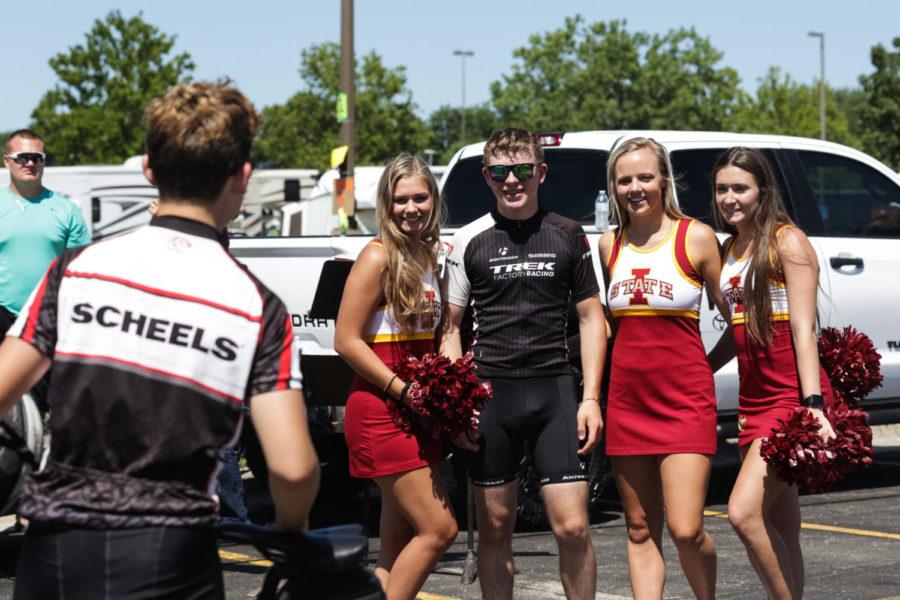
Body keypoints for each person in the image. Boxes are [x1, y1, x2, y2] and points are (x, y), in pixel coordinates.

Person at [0, 80, 320, 599]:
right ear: (243, 176)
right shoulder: (256, 306)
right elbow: (292, 467)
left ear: (149, 169)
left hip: (56, 550)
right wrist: (293, 531)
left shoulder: (76, 270)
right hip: (170, 554)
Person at [441, 128, 606, 600]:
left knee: (573, 528)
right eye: (499, 172)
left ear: (541, 172)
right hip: (491, 398)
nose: (511, 181)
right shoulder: (467, 239)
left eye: (522, 170)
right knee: (495, 532)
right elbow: (450, 328)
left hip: (555, 394)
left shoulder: (569, 234)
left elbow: (593, 319)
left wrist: (591, 398)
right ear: (486, 177)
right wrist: (458, 404)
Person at [597, 137, 724, 600]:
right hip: (627, 403)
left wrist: (706, 367)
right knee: (637, 528)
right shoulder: (608, 243)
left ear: (664, 180)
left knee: (687, 528)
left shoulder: (697, 237)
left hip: (685, 401)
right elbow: (608, 328)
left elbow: (738, 320)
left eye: (645, 177)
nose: (635, 188)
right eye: (624, 179)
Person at [335, 153, 463, 600]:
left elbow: (444, 334)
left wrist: (453, 403)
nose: (411, 208)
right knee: (440, 529)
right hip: (380, 411)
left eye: (420, 198)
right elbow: (345, 340)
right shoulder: (376, 257)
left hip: (417, 411)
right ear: (386, 205)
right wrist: (402, 390)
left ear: (434, 200)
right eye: (400, 200)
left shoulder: (428, 254)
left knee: (395, 548)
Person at [710, 147, 835, 599]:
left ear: (763, 192)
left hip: (789, 401)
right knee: (783, 527)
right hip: (751, 400)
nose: (729, 198)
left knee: (743, 515)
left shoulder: (788, 240)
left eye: (740, 188)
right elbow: (739, 331)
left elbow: (803, 329)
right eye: (722, 189)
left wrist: (813, 406)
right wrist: (701, 370)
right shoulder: (729, 248)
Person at [1, 130, 90, 338]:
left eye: (37, 158)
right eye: (22, 157)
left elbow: (80, 269)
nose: (30, 163)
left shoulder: (67, 210)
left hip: (49, 314)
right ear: (7, 161)